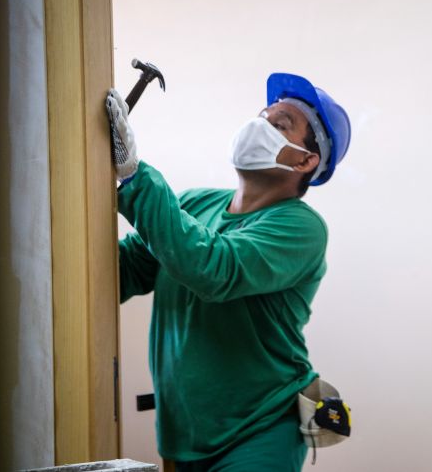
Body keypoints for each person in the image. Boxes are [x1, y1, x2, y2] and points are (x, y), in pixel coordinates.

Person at [105, 73, 351, 472]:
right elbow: (121, 273)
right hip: (182, 433)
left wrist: (134, 177)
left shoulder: (301, 228)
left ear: (306, 161)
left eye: (280, 124)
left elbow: (213, 268)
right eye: (262, 115)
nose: (260, 125)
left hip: (260, 430)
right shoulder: (193, 204)